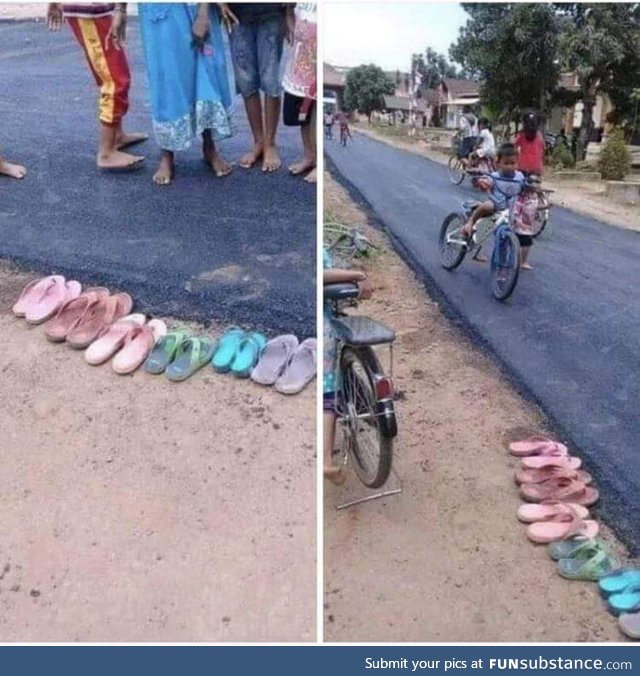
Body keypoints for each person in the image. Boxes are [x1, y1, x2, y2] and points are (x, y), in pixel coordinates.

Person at [138, 3, 233, 186]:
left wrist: (204, 12)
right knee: (166, 76)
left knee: (205, 70)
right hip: (158, 10)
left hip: (196, 6)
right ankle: (166, 153)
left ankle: (209, 145)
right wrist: (120, 9)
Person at [47, 2, 147, 170]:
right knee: (114, 80)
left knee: (115, 73)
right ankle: (106, 153)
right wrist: (120, 9)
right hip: (91, 11)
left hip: (95, 9)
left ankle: (116, 136)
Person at [221, 3, 292, 173]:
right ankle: (258, 141)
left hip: (272, 12)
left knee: (270, 78)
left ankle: (270, 143)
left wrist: (289, 10)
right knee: (246, 79)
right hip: (237, 13)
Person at [323, 249, 372, 485]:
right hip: (325, 328)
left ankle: (325, 459)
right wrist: (358, 275)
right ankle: (324, 460)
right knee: (328, 395)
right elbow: (323, 274)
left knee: (326, 394)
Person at [460, 143, 525, 252]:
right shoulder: (495, 176)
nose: (510, 166)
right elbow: (487, 180)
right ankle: (470, 222)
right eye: (506, 163)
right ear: (498, 163)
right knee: (488, 206)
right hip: (495, 204)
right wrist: (483, 182)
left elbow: (525, 186)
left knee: (511, 226)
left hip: (509, 208)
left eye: (512, 163)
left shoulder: (520, 177)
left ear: (517, 163)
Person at [282, 2, 317, 183]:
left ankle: (319, 164)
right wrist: (294, 33)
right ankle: (309, 156)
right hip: (299, 64)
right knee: (302, 114)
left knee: (314, 116)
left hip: (317, 65)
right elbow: (288, 10)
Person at [512, 176, 541, 270]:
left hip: (528, 223)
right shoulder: (522, 196)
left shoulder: (534, 195)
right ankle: (521, 262)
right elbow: (517, 208)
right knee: (526, 242)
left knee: (524, 242)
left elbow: (534, 207)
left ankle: (520, 261)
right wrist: (517, 219)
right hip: (521, 222)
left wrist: (542, 210)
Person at [514, 111, 545, 176]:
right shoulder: (539, 135)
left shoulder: (521, 135)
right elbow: (543, 150)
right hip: (534, 168)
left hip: (524, 168)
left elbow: (514, 147)